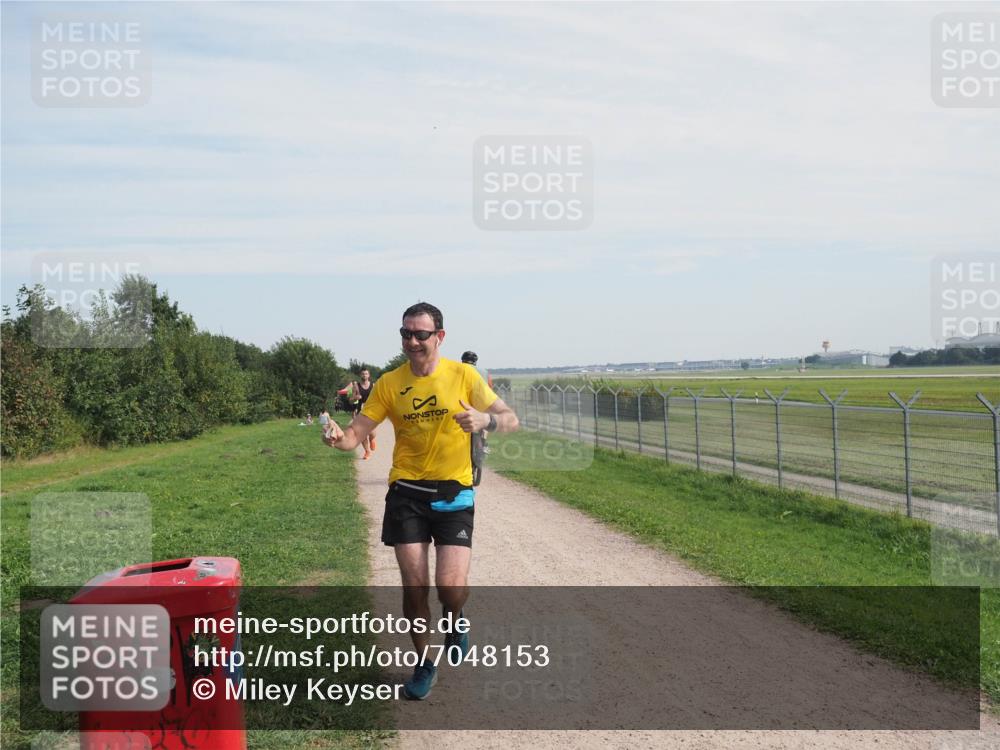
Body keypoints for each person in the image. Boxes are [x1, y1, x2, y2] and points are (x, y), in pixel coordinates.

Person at [323, 302, 518, 700]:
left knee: (449, 589)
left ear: (439, 337)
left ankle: (456, 617)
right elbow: (356, 433)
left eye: (420, 334)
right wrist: (338, 439)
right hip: (407, 494)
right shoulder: (390, 383)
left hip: (454, 493)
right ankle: (425, 662)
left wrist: (486, 421)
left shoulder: (463, 375)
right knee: (414, 587)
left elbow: (510, 418)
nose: (411, 341)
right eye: (405, 334)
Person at [356, 369, 377, 459]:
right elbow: (351, 399)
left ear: (369, 375)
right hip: (360, 411)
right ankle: (367, 451)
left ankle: (372, 439)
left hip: (372, 411)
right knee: (362, 433)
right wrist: (356, 397)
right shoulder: (356, 386)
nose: (364, 375)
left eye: (366, 374)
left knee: (371, 431)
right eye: (363, 374)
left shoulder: (373, 385)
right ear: (360, 375)